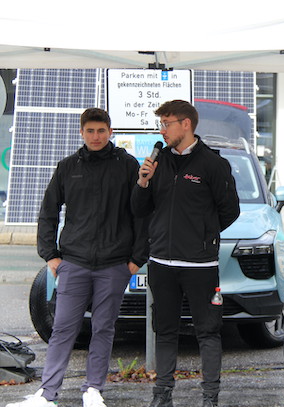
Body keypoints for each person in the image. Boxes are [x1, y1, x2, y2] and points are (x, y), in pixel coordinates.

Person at [7, 108, 148, 407]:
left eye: (101, 131)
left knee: (103, 328)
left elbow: (141, 213)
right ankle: (47, 394)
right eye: (90, 131)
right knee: (63, 329)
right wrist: (50, 255)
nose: (96, 136)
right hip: (74, 262)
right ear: (81, 132)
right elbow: (48, 212)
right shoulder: (68, 166)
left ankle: (93, 390)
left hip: (114, 264)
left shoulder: (127, 165)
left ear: (110, 132)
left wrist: (137, 259)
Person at [131, 99, 240, 407]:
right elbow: (139, 209)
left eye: (167, 124)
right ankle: (162, 395)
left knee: (208, 332)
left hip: (199, 265)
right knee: (165, 330)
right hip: (161, 263)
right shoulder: (158, 162)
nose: (162, 131)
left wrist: (203, 236)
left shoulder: (213, 164)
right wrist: (142, 182)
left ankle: (210, 398)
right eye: (161, 125)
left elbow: (230, 210)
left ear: (186, 124)